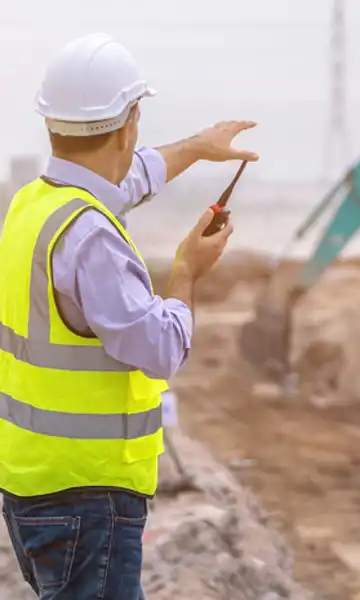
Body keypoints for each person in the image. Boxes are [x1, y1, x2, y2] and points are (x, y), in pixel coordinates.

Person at [0, 33, 259, 599]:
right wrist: (187, 273)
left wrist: (197, 147)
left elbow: (125, 178)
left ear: (52, 124)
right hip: (86, 497)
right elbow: (161, 349)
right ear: (130, 122)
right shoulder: (91, 238)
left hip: (31, 484)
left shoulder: (33, 206)